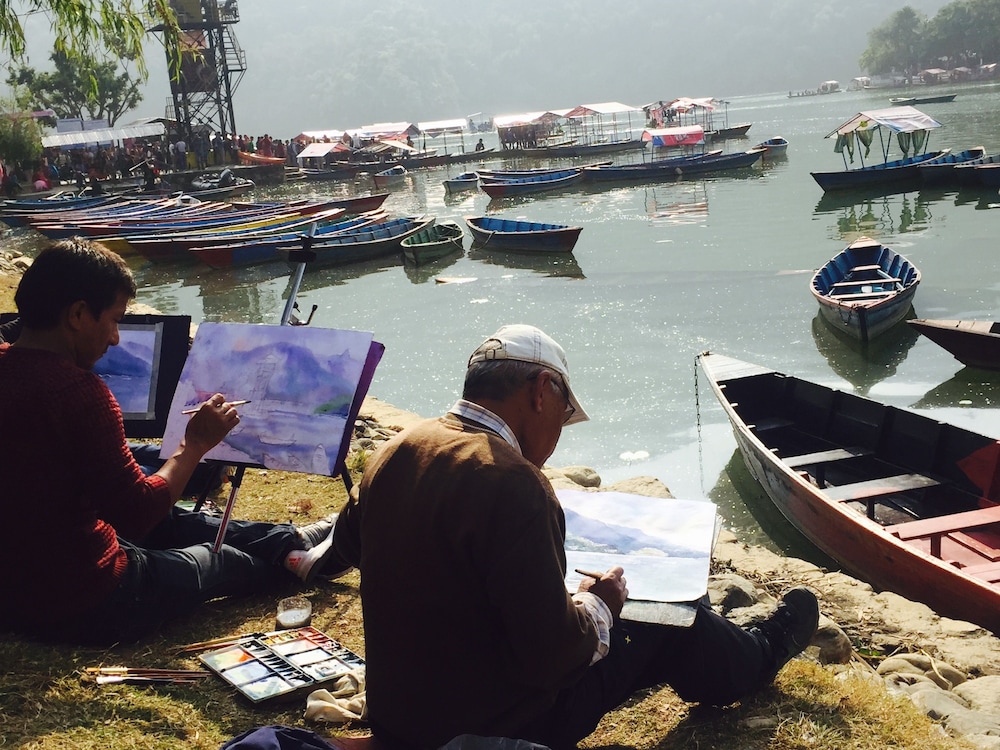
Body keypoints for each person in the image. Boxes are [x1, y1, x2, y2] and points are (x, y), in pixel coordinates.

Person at [333, 324, 819, 750]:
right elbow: (556, 659)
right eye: (564, 413)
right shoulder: (513, 482)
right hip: (503, 725)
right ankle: (759, 654)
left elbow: (348, 545)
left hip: (403, 717)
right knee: (664, 614)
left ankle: (722, 646)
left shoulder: (396, 451)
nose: (560, 431)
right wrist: (599, 603)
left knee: (656, 619)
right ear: (542, 391)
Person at [0, 239, 347, 646]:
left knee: (175, 523)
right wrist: (194, 444)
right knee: (219, 560)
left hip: (16, 582)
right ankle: (299, 561)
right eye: (114, 320)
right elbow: (137, 513)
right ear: (77, 314)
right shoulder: (77, 393)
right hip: (83, 601)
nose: (115, 338)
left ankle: (292, 542)